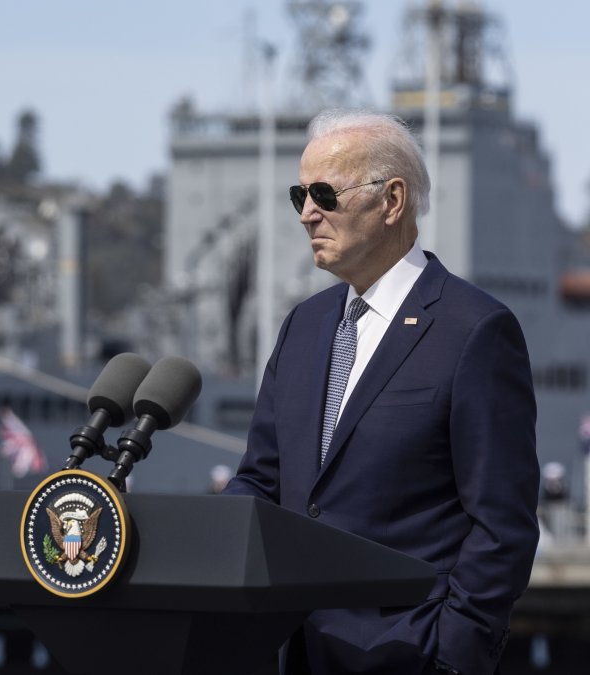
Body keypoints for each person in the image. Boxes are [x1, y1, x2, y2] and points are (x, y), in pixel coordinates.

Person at [224, 110, 538, 674]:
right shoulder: (303, 326)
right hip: (290, 653)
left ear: (392, 200)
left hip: (409, 655)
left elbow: (502, 525)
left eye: (324, 193)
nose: (306, 213)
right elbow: (260, 480)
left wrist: (451, 655)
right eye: (299, 194)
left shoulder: (475, 330)